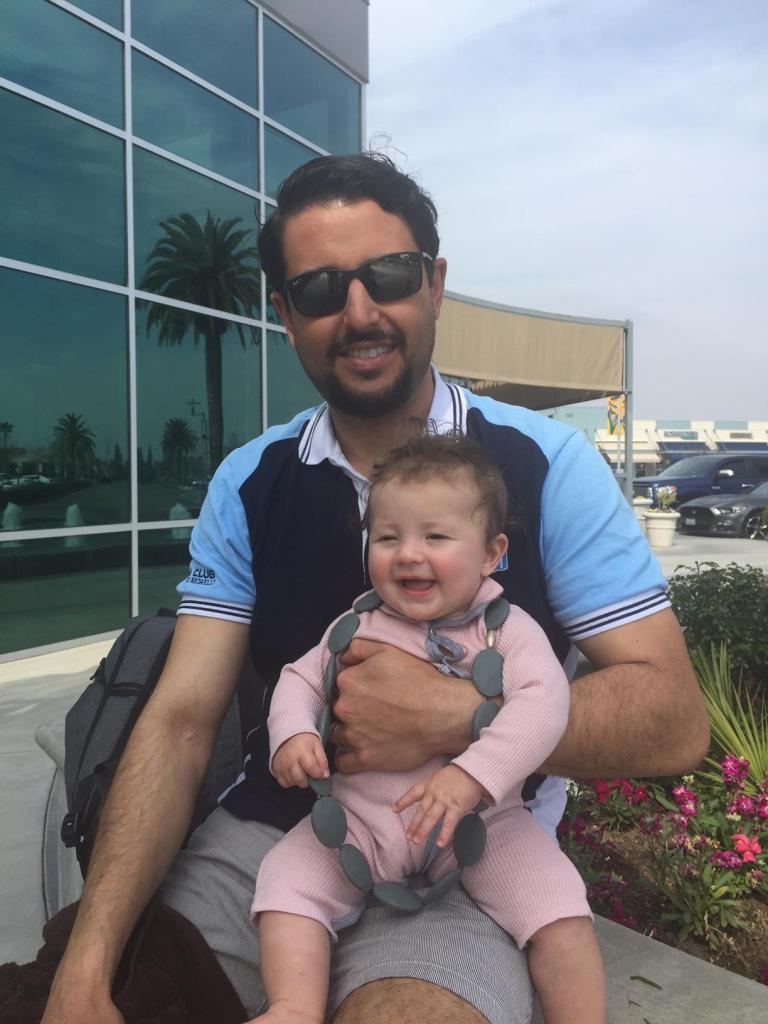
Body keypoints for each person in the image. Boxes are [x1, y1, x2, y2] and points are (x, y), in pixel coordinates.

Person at [43, 152, 709, 1024]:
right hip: (285, 833)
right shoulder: (251, 482)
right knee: (131, 997)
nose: (359, 312)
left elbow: (673, 718)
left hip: (473, 843)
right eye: (319, 290)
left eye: (387, 275)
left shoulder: (547, 465)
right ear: (285, 316)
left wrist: (457, 716)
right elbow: (180, 722)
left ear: (434, 284)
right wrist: (87, 967)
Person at [254, 432, 606, 1024]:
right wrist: (292, 734)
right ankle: (293, 1006)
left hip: (481, 824)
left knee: (558, 905)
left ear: (490, 553)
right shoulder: (356, 623)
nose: (408, 555)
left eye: (436, 537)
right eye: (388, 538)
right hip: (363, 821)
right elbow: (299, 678)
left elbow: (545, 704)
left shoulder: (507, 631)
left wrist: (474, 775)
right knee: (285, 881)